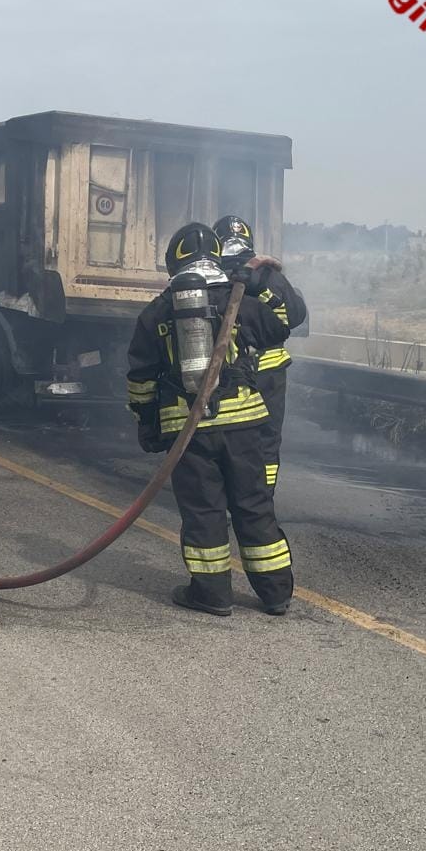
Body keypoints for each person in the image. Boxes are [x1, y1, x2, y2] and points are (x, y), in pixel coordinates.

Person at [126, 222, 294, 617]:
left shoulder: (158, 311)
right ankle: (275, 593)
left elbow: (140, 380)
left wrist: (147, 423)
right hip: (244, 424)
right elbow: (281, 326)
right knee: (253, 505)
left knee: (204, 511)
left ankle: (212, 593)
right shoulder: (238, 297)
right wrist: (258, 284)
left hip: (190, 430)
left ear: (174, 261)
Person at [213, 215, 309, 499]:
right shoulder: (270, 275)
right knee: (266, 441)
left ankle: (225, 495)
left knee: (227, 435)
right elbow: (296, 316)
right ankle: (261, 498)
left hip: (228, 374)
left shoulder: (215, 275)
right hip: (270, 376)